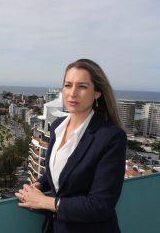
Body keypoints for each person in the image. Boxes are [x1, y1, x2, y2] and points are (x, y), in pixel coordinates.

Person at [15, 59, 127, 233]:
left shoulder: (111, 137)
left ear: (97, 92)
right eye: (68, 85)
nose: (72, 93)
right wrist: (39, 184)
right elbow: (62, 169)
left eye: (82, 86)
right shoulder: (57, 127)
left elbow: (101, 205)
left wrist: (45, 202)